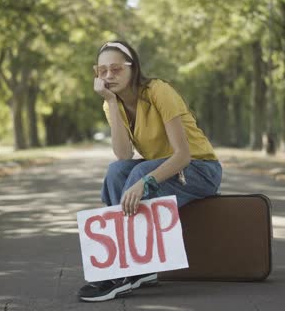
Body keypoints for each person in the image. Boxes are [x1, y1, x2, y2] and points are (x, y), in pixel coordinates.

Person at [77, 40, 223, 302]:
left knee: (140, 171)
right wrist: (111, 102)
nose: (109, 76)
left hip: (200, 169)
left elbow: (183, 155)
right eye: (102, 71)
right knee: (116, 171)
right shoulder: (112, 104)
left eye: (116, 69)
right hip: (164, 170)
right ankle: (133, 264)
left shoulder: (158, 91)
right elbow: (123, 155)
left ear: (133, 68)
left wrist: (144, 182)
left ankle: (126, 271)